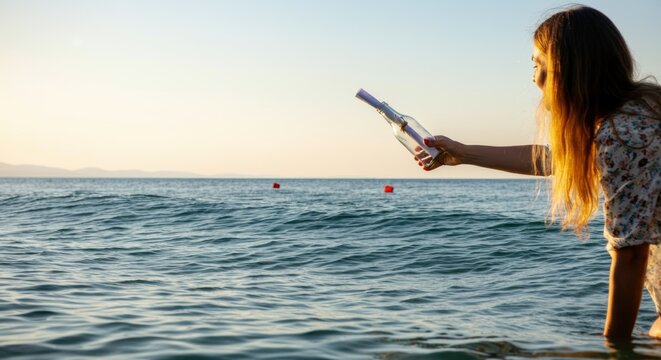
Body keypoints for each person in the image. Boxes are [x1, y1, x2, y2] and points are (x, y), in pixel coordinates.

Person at [414, 5, 660, 339]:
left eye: (537, 64)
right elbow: (555, 159)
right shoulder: (640, 113)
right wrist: (464, 153)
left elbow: (631, 254)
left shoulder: (622, 136)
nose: (533, 77)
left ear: (566, 70)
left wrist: (613, 347)